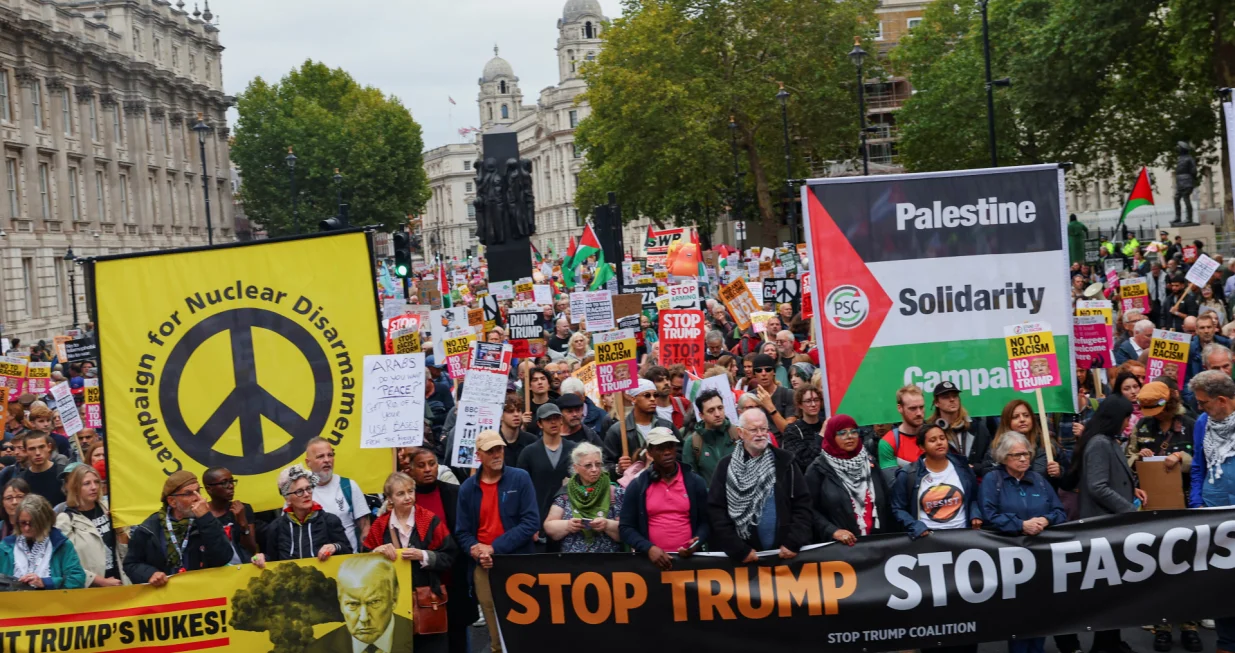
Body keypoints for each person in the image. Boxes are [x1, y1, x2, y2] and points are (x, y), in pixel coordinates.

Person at [1071, 395, 1146, 653]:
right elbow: (1097, 486)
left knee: (1114, 591)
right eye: (1126, 418)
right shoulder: (1100, 444)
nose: (1128, 424)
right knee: (1107, 592)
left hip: (1110, 527)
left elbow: (1110, 479)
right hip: (1103, 527)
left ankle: (1112, 641)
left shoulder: (1106, 441)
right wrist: (1128, 509)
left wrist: (1132, 489)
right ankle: (1104, 645)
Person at [454, 431, 540, 653]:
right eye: (490, 451)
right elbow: (462, 532)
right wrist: (476, 551)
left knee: (526, 625)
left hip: (517, 562)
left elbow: (531, 522)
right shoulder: (467, 488)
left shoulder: (520, 478)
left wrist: (494, 548)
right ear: (478, 455)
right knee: (495, 630)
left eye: (499, 449)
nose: (496, 454)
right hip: (484, 565)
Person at [363, 472, 455, 653]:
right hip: (392, 604)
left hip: (427, 601)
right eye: (400, 494)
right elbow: (364, 563)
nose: (408, 497)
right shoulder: (380, 526)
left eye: (410, 491)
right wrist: (376, 553)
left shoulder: (429, 520)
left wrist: (423, 556)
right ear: (389, 498)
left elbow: (450, 555)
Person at [706, 410, 811, 562]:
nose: (760, 434)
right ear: (740, 432)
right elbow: (717, 512)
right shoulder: (725, 467)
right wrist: (739, 550)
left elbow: (803, 505)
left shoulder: (785, 461)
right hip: (746, 560)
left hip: (785, 556)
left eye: (764, 429)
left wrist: (793, 542)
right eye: (754, 430)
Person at [407, 448, 475, 653]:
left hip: (454, 576)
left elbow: (466, 529)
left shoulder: (454, 492)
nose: (428, 469)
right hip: (421, 581)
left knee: (458, 635)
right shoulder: (405, 498)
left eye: (432, 463)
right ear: (410, 470)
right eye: (421, 465)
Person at [619, 427, 709, 570]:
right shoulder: (637, 485)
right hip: (652, 565)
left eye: (670, 447)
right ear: (650, 453)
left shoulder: (694, 482)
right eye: (660, 448)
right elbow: (625, 527)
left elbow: (707, 521)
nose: (667, 452)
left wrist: (697, 541)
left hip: (690, 563)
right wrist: (649, 548)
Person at [123, 471, 232, 585]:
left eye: (198, 491)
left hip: (202, 591)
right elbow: (131, 564)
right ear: (172, 501)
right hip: (165, 594)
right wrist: (149, 574)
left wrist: (206, 519)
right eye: (188, 493)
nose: (197, 498)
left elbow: (223, 557)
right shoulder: (150, 528)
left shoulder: (207, 521)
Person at [806, 415, 893, 545]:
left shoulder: (870, 463)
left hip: (877, 546)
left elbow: (886, 502)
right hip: (840, 550)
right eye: (842, 433)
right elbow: (807, 510)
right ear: (831, 436)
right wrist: (833, 531)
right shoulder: (818, 469)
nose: (849, 436)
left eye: (854, 431)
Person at [305, 556, 415, 653]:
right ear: (340, 602)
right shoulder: (318, 650)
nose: (364, 618)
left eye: (374, 602)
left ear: (394, 598)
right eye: (353, 604)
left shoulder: (420, 639)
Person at [890, 423, 982, 539]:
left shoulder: (962, 467)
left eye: (942, 438)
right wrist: (915, 525)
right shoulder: (908, 474)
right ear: (922, 447)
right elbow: (898, 508)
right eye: (932, 440)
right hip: (929, 541)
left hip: (963, 537)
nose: (939, 442)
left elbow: (974, 497)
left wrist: (975, 514)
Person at [254, 465, 351, 565]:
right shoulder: (276, 527)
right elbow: (272, 560)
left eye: (308, 488)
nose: (306, 494)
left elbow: (348, 551)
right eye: (299, 491)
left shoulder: (329, 520)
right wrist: (261, 557)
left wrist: (334, 547)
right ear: (287, 498)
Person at [543, 443, 624, 552]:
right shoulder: (566, 493)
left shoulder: (615, 492)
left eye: (598, 464)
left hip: (608, 562)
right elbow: (549, 527)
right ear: (576, 468)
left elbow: (627, 530)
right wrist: (568, 525)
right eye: (588, 465)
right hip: (573, 563)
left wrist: (607, 525)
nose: (594, 469)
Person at [55, 465, 125, 586]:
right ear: (75, 488)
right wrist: (102, 581)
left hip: (121, 580)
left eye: (96, 482)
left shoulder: (109, 508)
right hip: (92, 589)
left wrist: (120, 530)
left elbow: (126, 550)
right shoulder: (65, 520)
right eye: (86, 483)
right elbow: (66, 563)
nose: (93, 487)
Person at [516, 403, 578, 536]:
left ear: (562, 420)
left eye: (556, 417)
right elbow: (521, 491)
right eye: (548, 419)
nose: (553, 422)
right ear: (539, 424)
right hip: (538, 521)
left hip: (570, 521)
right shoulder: (529, 453)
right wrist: (528, 524)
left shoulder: (574, 450)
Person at [0, 494, 86, 589]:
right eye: (23, 523)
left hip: (52, 602)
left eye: (32, 523)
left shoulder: (61, 544)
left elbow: (77, 579)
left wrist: (45, 582)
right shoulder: (5, 546)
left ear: (44, 521)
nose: (27, 528)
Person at [304, 437, 371, 553]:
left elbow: (365, 528)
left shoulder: (348, 485)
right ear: (308, 462)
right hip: (313, 564)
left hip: (348, 563)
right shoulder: (300, 491)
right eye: (320, 456)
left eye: (330, 455)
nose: (327, 460)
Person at [603, 379, 676, 474]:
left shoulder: (666, 426)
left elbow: (679, 453)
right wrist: (617, 469)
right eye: (647, 395)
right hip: (633, 485)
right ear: (633, 399)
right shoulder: (618, 430)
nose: (653, 399)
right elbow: (605, 464)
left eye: (655, 395)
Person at [929, 381, 993, 478]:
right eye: (946, 397)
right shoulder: (931, 432)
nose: (952, 399)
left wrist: (974, 468)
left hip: (977, 486)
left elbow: (992, 462)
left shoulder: (978, 428)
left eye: (955, 396)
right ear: (937, 403)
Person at [989, 399, 1062, 480]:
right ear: (1006, 422)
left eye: (1026, 415)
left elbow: (1069, 482)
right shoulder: (997, 446)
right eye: (1015, 417)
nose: (1022, 419)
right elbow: (987, 471)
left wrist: (1059, 472)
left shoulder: (1048, 444)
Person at [682, 389, 741, 487]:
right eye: (711, 410)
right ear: (701, 416)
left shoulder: (738, 434)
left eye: (720, 408)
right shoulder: (693, 443)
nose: (717, 414)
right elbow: (690, 481)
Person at [203, 467, 258, 564]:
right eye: (224, 483)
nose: (231, 486)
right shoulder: (202, 515)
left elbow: (251, 550)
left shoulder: (242, 509)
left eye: (232, 481)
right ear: (209, 489)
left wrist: (243, 524)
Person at [879, 385, 927, 485]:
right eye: (913, 408)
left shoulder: (935, 436)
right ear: (900, 408)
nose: (919, 413)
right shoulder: (888, 442)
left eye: (921, 407)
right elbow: (894, 485)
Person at [781, 385, 825, 474]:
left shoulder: (826, 423)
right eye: (808, 401)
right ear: (800, 405)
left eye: (816, 400)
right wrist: (822, 435)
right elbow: (804, 462)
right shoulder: (792, 430)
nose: (813, 404)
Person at [749, 353, 795, 435]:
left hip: (783, 444)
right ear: (754, 374)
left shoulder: (788, 394)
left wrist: (770, 407)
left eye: (768, 369)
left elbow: (788, 431)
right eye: (759, 370)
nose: (763, 373)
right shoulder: (749, 397)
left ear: (774, 372)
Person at [16, 431, 66, 505]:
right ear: (25, 451)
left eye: (41, 447)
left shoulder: (64, 474)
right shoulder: (21, 480)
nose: (37, 453)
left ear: (49, 447)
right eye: (32, 449)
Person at [496, 393, 538, 469]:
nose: (516, 414)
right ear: (501, 416)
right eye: (510, 411)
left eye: (518, 410)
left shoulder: (532, 441)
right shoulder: (493, 442)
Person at [1188, 312, 1231, 382]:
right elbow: (1186, 379)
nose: (1206, 331)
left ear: (1214, 328)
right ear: (1196, 330)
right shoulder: (1189, 349)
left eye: (1209, 327)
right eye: (1202, 328)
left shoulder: (1226, 343)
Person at [521, 367, 558, 436]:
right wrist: (522, 424)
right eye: (535, 380)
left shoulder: (557, 405)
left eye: (543, 379)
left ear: (549, 384)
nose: (540, 382)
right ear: (529, 386)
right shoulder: (524, 408)